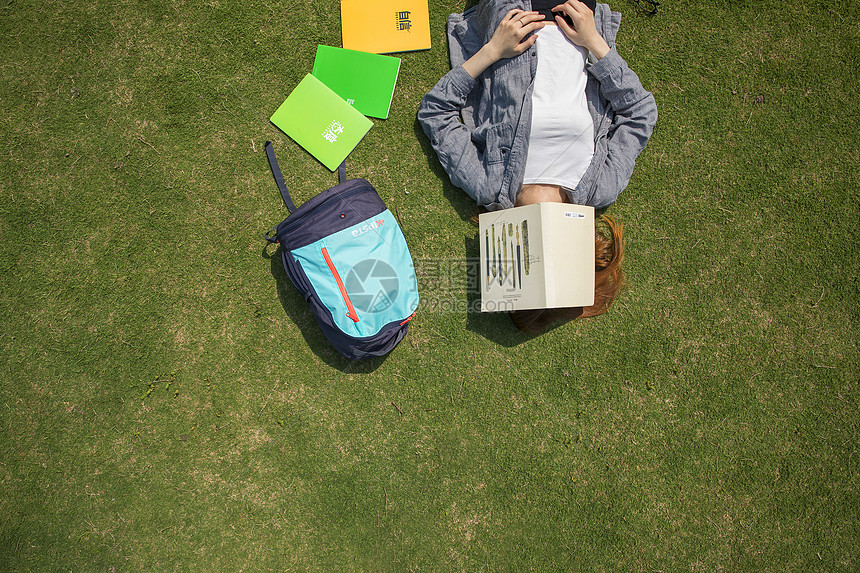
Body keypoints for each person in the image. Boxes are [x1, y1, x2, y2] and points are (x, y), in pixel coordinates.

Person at [417, 0, 656, 332]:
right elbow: (640, 113)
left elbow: (435, 114)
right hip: (576, 20)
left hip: (511, 17)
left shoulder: (487, 184)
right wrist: (595, 42)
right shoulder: (601, 186)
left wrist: (491, 50)